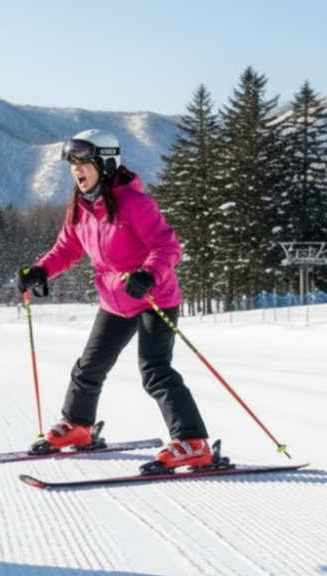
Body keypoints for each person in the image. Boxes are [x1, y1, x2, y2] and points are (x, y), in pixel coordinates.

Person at [17, 129, 211, 473]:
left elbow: (168, 246)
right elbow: (68, 248)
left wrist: (149, 274)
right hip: (114, 301)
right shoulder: (80, 206)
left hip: (153, 297)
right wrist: (41, 271)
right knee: (89, 368)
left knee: (155, 371)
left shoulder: (135, 204)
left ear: (105, 163)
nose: (76, 169)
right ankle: (78, 427)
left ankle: (192, 442)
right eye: (72, 163)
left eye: (84, 162)